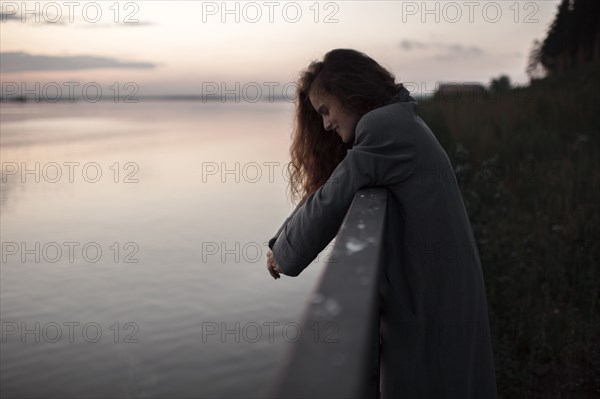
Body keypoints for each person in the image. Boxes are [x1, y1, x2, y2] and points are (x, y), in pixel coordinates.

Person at [265, 48, 497, 398]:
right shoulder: (400, 122)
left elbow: (332, 196)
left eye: (326, 110)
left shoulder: (384, 128)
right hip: (440, 294)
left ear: (349, 91)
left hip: (433, 308)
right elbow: (332, 186)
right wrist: (278, 240)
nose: (325, 124)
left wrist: (282, 252)